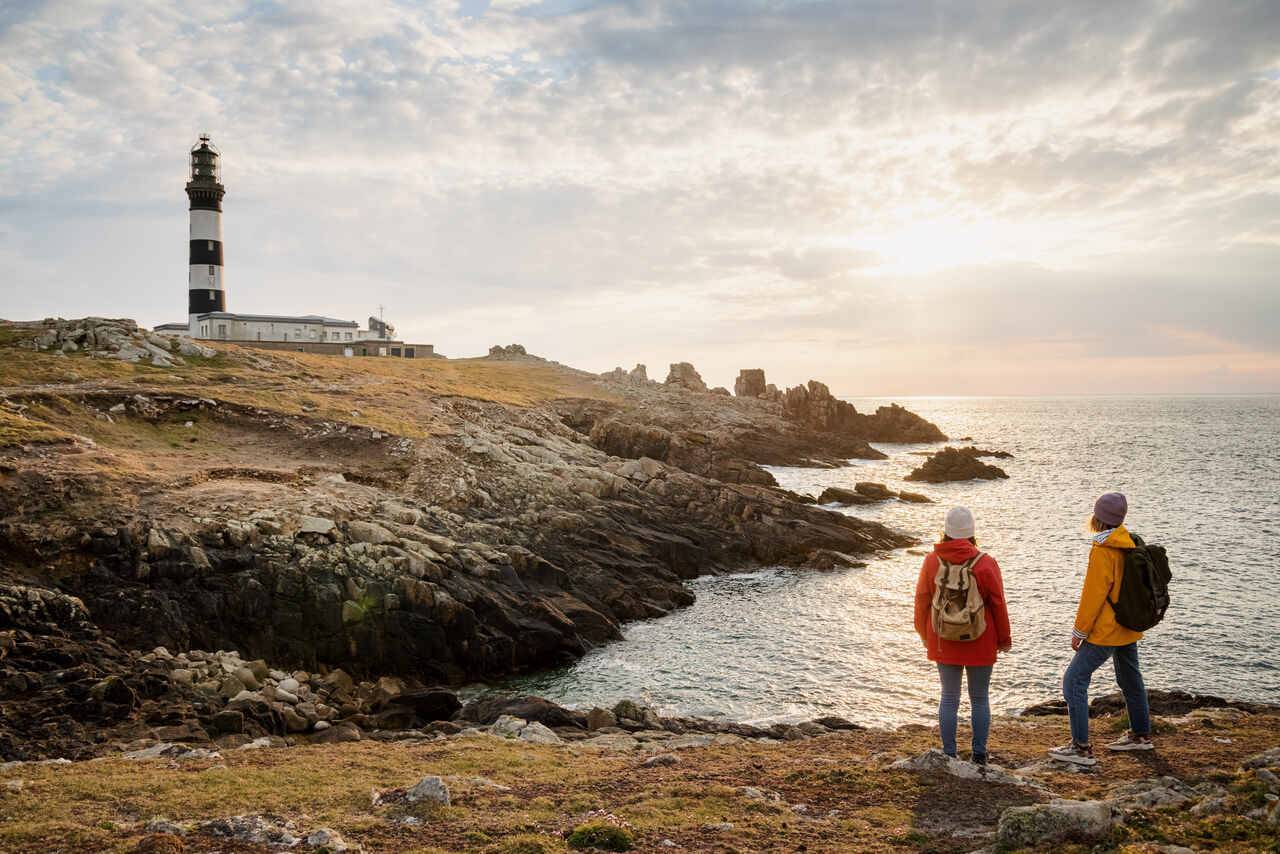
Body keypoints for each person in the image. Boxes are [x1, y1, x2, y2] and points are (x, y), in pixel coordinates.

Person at [1048, 492, 1153, 767]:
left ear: (1098, 518)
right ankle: (1141, 736)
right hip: (1128, 625)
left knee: (1074, 681)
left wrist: (1079, 631)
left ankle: (1081, 748)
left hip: (1106, 629)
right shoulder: (1131, 542)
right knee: (1131, 680)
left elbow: (1093, 595)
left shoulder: (1103, 550)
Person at [914, 506, 1012, 765]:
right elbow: (998, 603)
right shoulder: (986, 563)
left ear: (945, 531)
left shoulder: (931, 561)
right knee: (979, 698)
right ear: (972, 532)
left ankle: (948, 754)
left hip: (943, 638)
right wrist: (1003, 639)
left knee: (949, 697)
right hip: (980, 639)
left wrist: (924, 633)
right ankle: (979, 754)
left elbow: (922, 600)